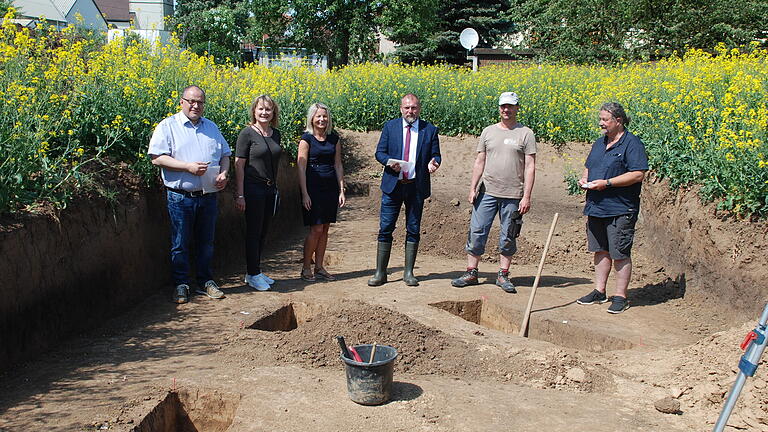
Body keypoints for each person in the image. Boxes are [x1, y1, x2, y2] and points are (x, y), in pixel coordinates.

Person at [148, 85, 231, 303]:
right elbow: (157, 158)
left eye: (200, 102)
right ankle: (181, 284)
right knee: (180, 242)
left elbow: (225, 155)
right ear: (182, 102)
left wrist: (224, 173)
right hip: (180, 197)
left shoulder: (211, 128)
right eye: (191, 101)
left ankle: (205, 282)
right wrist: (187, 167)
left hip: (208, 196)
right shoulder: (168, 126)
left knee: (206, 242)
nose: (195, 105)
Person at [450, 92, 536, 293]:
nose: (506, 110)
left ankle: (503, 275)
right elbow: (480, 161)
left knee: (509, 235)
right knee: (477, 230)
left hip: (513, 194)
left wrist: (527, 196)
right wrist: (472, 188)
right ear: (499, 108)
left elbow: (530, 166)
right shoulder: (488, 132)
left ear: (517, 108)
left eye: (511, 106)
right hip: (487, 192)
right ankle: (471, 272)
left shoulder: (526, 134)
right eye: (503, 106)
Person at [575, 102, 648, 314]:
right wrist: (585, 179)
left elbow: (637, 174)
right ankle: (599, 291)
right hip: (596, 206)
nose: (601, 123)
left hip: (620, 208)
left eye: (605, 120)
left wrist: (607, 183)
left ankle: (621, 296)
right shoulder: (600, 143)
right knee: (600, 250)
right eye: (600, 119)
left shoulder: (632, 144)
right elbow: (590, 167)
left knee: (620, 253)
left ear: (619, 120)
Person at [368, 93, 441, 287]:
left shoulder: (430, 130)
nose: (411, 111)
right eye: (407, 108)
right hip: (393, 186)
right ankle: (380, 273)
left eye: (414, 108)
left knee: (414, 229)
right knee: (385, 228)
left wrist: (435, 163)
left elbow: (436, 155)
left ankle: (409, 273)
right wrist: (389, 163)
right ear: (401, 108)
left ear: (419, 109)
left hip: (416, 187)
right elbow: (379, 152)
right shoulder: (390, 127)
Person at [234, 95, 283, 292]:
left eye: (268, 110)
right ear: (254, 111)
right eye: (261, 109)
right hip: (253, 189)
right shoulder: (247, 134)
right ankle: (252, 274)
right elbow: (239, 165)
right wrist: (240, 194)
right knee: (253, 232)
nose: (264, 113)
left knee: (263, 231)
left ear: (273, 113)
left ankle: (255, 271)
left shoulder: (275, 134)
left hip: (270, 189)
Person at [297, 103, 346, 282]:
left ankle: (319, 267)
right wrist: (304, 193)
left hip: (330, 188)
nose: (322, 119)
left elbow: (338, 164)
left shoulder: (334, 138)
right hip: (313, 187)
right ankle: (305, 268)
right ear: (312, 118)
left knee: (325, 228)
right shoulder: (306, 139)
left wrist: (341, 189)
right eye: (318, 116)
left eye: (324, 116)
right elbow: (301, 168)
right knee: (316, 228)